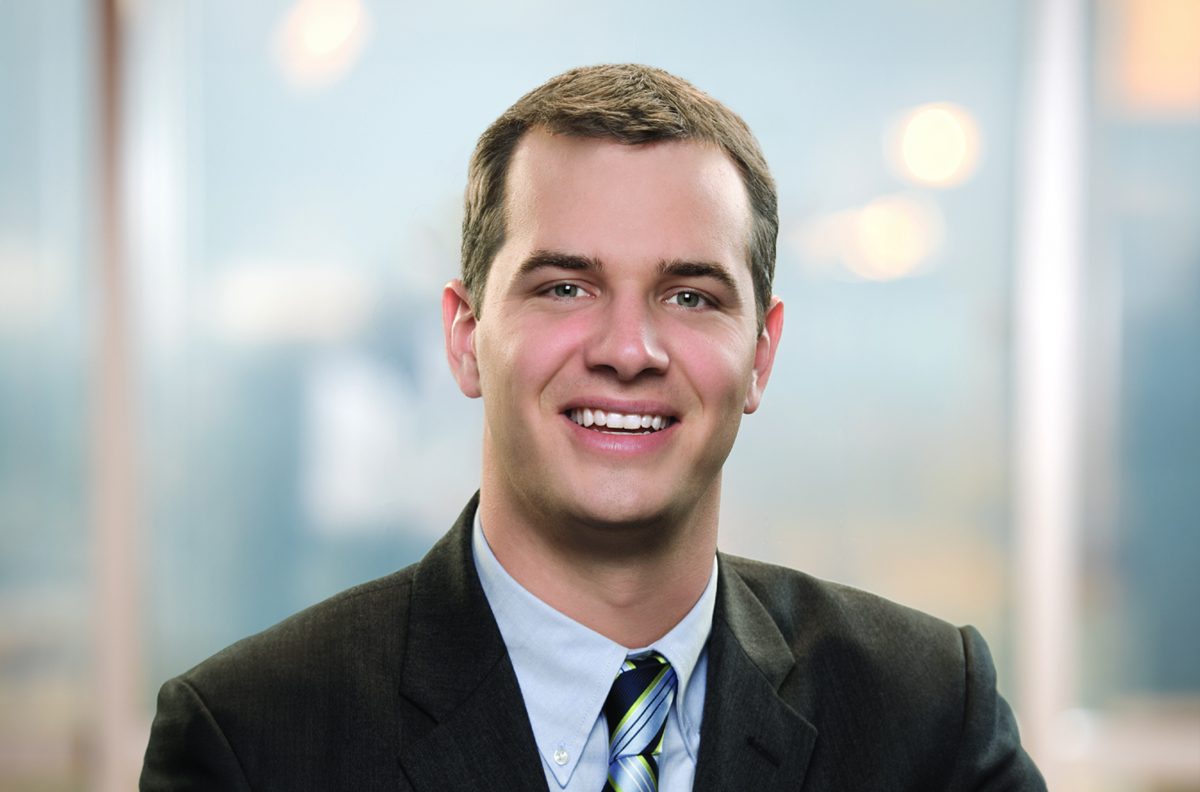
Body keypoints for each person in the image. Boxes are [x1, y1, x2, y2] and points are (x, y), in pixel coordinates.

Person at [140, 64, 1046, 791]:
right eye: (564, 288)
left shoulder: (926, 718)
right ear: (466, 337)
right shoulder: (253, 743)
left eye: (689, 295)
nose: (629, 348)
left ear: (761, 355)